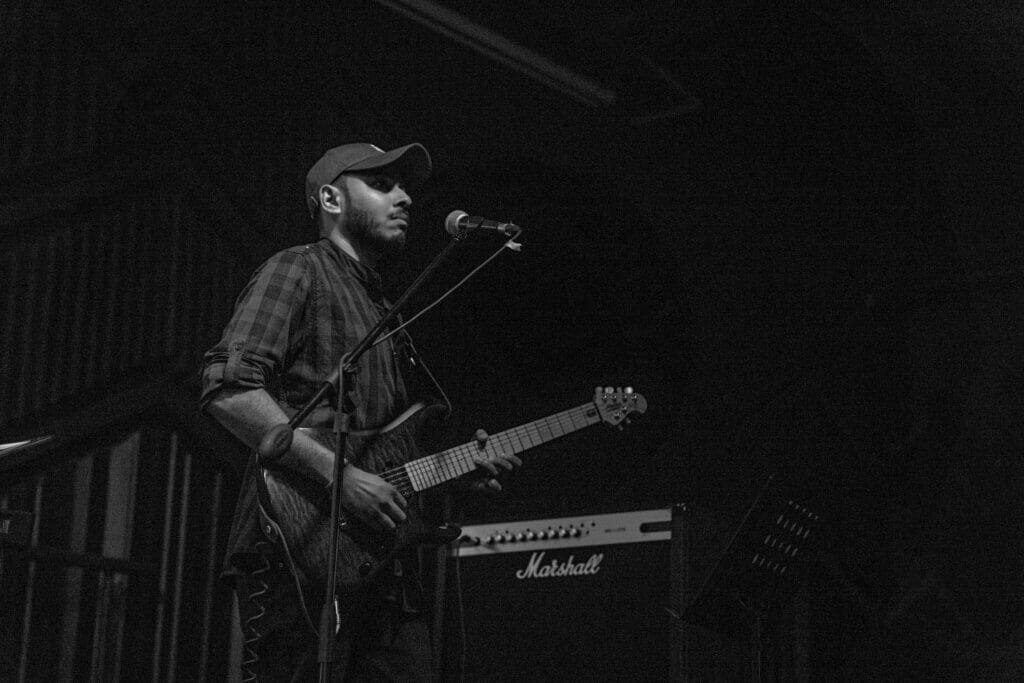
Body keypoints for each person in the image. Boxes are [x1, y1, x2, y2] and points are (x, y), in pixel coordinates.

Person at [200, 142, 520, 680]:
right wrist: (340, 476)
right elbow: (227, 390)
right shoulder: (297, 269)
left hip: (382, 562)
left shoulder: (384, 310)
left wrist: (454, 472)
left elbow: (388, 452)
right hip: (299, 548)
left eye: (405, 186)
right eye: (382, 184)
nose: (406, 197)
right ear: (331, 199)